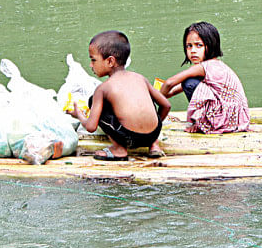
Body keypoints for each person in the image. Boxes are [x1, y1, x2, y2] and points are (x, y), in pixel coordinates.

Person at [66, 31, 171, 161]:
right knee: (146, 98)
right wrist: (153, 128)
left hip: (129, 138)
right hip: (152, 134)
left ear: (110, 61)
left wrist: (79, 115)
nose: (91, 65)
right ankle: (154, 145)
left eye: (93, 60)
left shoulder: (103, 88)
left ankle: (119, 149)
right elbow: (166, 105)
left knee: (93, 101)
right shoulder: (140, 78)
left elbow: (91, 127)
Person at [159, 22, 250, 134]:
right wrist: (156, 95)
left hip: (226, 119)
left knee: (189, 83)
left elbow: (169, 83)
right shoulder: (215, 65)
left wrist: (156, 108)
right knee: (188, 83)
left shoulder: (204, 67)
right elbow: (173, 90)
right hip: (235, 118)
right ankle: (201, 120)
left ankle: (200, 123)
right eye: (189, 46)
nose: (193, 50)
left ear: (211, 45)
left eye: (199, 45)